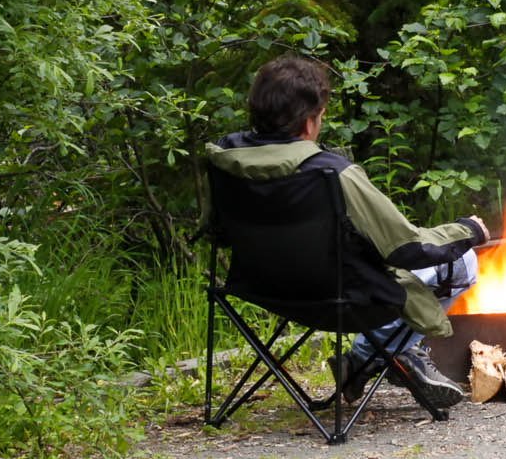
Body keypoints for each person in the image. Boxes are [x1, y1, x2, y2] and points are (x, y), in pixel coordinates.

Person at [205, 55, 486, 410]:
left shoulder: (224, 161)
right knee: (463, 263)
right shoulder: (331, 173)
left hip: (263, 290)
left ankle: (371, 360)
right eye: (321, 115)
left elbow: (218, 234)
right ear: (309, 123)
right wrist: (467, 230)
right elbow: (407, 248)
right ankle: (374, 356)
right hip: (341, 298)